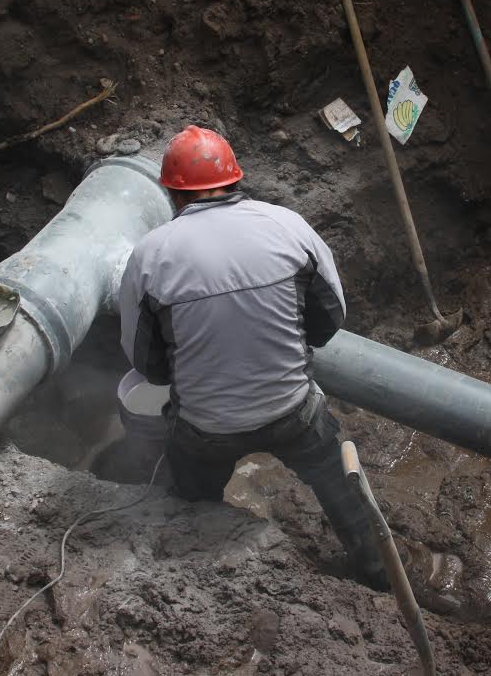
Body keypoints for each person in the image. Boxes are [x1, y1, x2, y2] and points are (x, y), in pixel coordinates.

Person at [119, 124, 386, 588]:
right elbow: (330, 319)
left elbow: (147, 363)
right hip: (292, 411)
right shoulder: (287, 226)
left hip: (207, 428)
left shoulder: (150, 254)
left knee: (191, 492)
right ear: (236, 179)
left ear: (173, 194)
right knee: (334, 474)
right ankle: (375, 569)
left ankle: (208, 574)